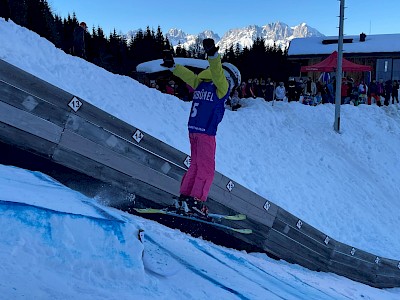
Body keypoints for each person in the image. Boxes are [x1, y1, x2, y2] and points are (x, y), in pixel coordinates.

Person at [160, 39, 240, 216]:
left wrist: (173, 67)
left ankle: (185, 198)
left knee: (195, 166)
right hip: (206, 133)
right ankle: (196, 202)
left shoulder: (200, 83)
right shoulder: (221, 86)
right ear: (231, 79)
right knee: (206, 169)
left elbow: (188, 76)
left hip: (193, 130)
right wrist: (213, 55)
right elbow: (218, 73)